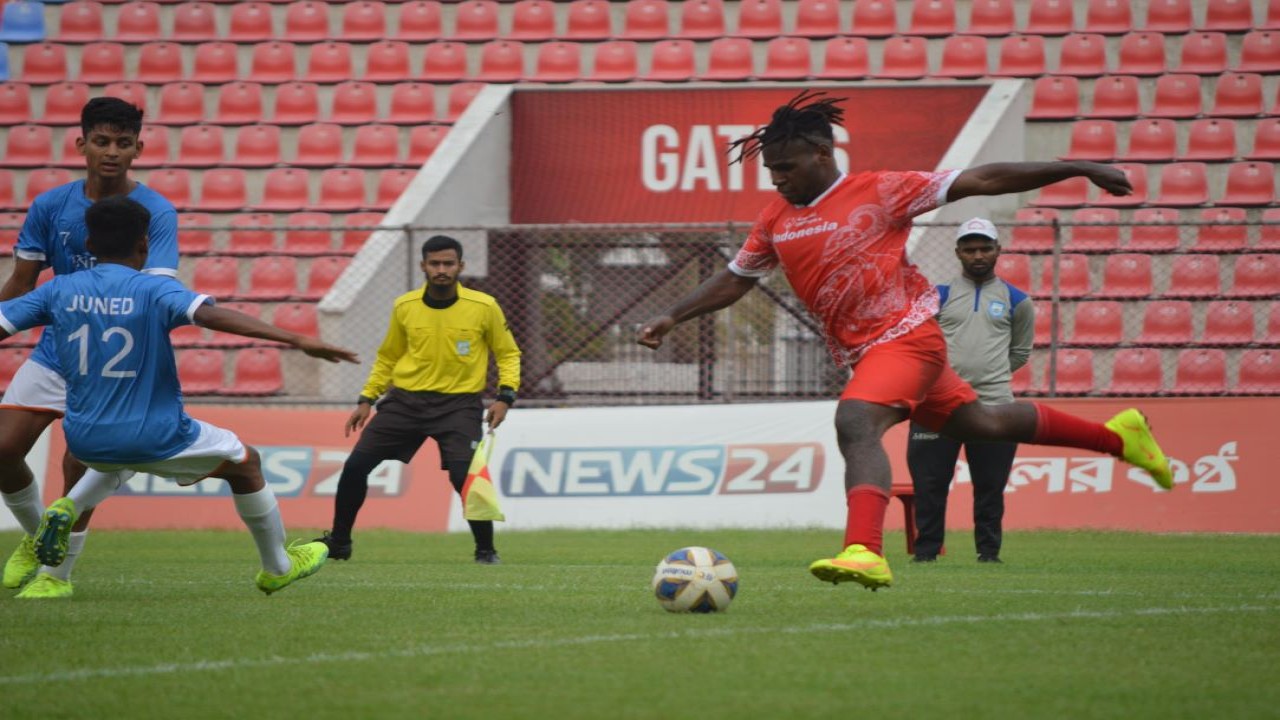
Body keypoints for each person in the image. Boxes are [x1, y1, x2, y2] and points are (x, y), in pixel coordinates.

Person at [637, 91, 1173, 591]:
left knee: (856, 421)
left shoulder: (880, 191)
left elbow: (981, 179)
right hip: (867, 352)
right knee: (983, 422)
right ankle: (1120, 439)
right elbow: (737, 277)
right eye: (770, 169)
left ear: (822, 154)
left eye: (785, 167)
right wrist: (672, 315)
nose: (776, 179)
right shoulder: (776, 217)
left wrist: (1075, 167)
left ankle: (864, 550)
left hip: (907, 336)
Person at [0, 196, 359, 597]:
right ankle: (278, 566)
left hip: (84, 439)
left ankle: (62, 527)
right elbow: (211, 316)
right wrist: (295, 337)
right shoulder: (154, 289)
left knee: (114, 461)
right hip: (156, 434)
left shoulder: (58, 289)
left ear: (88, 245)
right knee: (246, 463)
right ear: (144, 246)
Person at [1, 97, 181, 597]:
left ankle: (57, 574)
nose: (111, 152)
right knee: (2, 449)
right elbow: (21, 282)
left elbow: (157, 292)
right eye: (101, 141)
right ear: (81, 144)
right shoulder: (50, 206)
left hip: (119, 362)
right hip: (59, 351)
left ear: (138, 149)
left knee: (79, 464)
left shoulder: (157, 212)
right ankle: (41, 539)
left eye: (123, 143)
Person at [313, 235, 522, 565]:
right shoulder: (405, 306)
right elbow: (388, 356)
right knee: (355, 467)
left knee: (463, 476)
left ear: (460, 267)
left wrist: (505, 396)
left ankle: (486, 551)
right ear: (423, 266)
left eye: (448, 264)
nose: (442, 270)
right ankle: (339, 542)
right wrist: (367, 398)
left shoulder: (484, 306)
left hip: (459, 405)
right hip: (405, 403)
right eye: (435, 264)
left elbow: (508, 353)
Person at [907, 218, 1034, 564]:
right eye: (970, 249)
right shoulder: (936, 296)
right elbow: (919, 346)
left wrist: (991, 376)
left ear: (998, 250)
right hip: (937, 406)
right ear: (958, 253)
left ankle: (989, 555)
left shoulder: (1017, 300)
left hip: (994, 407)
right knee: (930, 486)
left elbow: (1021, 351)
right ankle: (926, 554)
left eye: (984, 248)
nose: (978, 255)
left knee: (990, 487)